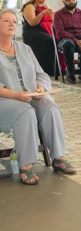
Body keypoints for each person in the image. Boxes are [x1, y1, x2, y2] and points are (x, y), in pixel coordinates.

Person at [0, 9, 76, 185]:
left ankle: (59, 158)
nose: (12, 24)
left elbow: (40, 74)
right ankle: (25, 165)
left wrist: (41, 88)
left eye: (14, 21)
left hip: (29, 96)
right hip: (6, 100)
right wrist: (16, 96)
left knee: (50, 108)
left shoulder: (24, 49)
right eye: (6, 21)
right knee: (25, 112)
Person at [53, 0, 81, 83]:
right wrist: (77, 40)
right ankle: (70, 71)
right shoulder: (58, 14)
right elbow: (61, 32)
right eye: (67, 0)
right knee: (68, 44)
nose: (71, 1)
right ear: (63, 2)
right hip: (65, 41)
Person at [21, 0, 56, 76]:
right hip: (33, 31)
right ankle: (43, 69)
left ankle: (51, 69)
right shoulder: (30, 6)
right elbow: (32, 22)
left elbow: (53, 19)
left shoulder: (46, 6)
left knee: (56, 40)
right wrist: (43, 13)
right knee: (51, 41)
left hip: (44, 30)